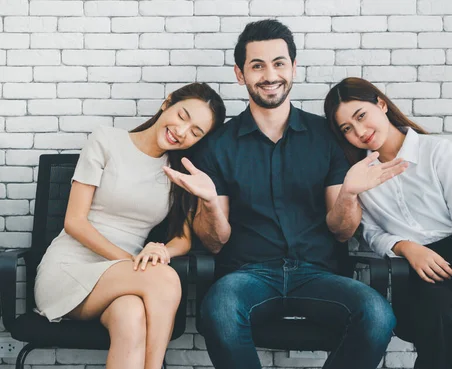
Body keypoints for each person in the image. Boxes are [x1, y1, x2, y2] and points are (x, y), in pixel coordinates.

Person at [164, 20, 407, 369]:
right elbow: (215, 243)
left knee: (377, 314)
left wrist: (349, 195)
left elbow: (342, 231)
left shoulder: (327, 136)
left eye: (279, 63)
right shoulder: (217, 146)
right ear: (240, 73)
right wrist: (209, 204)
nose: (269, 75)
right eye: (257, 65)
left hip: (319, 274)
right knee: (218, 309)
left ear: (293, 67)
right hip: (246, 276)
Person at [323, 77, 452, 369]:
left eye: (361, 116)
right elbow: (368, 233)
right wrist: (406, 247)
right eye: (347, 128)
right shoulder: (359, 174)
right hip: (419, 269)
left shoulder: (437, 151)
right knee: (441, 327)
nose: (359, 131)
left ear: (380, 104)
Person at [34, 82, 226, 369]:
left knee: (131, 315)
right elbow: (74, 222)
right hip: (69, 269)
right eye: (183, 116)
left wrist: (160, 252)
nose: (182, 132)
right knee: (165, 278)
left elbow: (183, 240)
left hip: (123, 282)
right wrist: (136, 263)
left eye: (196, 132)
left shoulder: (179, 173)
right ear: (167, 102)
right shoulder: (106, 140)